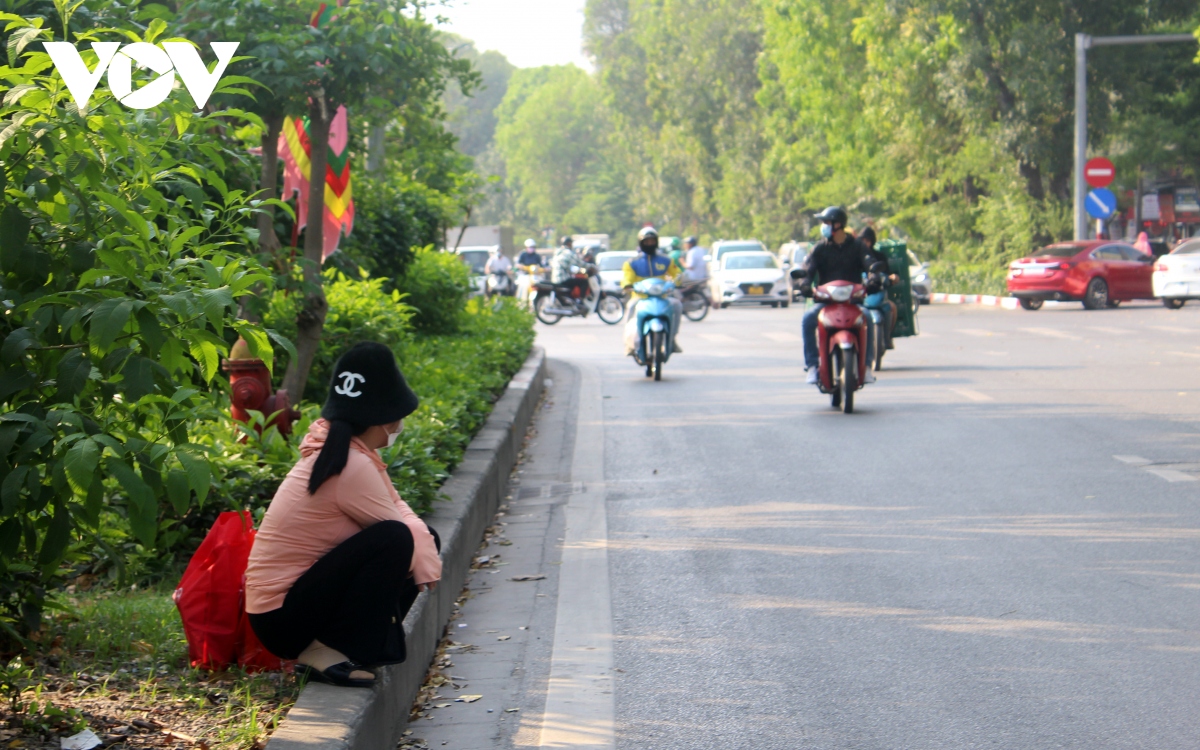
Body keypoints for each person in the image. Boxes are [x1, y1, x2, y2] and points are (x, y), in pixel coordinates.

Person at [246, 343, 440, 688]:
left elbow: (396, 504)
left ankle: (347, 646)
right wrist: (421, 545)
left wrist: (423, 542)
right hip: (281, 620)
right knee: (396, 539)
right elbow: (397, 528)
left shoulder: (345, 452)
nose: (400, 423)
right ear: (382, 418)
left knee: (415, 536)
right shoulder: (351, 465)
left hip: (284, 611)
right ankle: (332, 650)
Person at [800, 207, 881, 385]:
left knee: (867, 316)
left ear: (838, 225)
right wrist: (804, 283)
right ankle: (813, 366)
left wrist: (874, 278)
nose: (824, 227)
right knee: (808, 319)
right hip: (826, 302)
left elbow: (870, 263)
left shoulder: (858, 246)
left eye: (827, 223)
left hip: (853, 301)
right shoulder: (819, 248)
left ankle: (867, 366)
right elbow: (808, 269)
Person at [622, 227, 683, 354]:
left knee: (677, 305)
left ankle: (672, 338)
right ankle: (628, 343)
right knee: (631, 306)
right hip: (641, 297)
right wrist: (627, 285)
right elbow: (627, 278)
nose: (649, 244)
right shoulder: (632, 263)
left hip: (662, 297)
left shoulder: (666, 260)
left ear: (656, 242)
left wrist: (677, 281)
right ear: (641, 243)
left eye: (652, 241)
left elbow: (676, 273)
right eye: (646, 242)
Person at [859, 227, 898, 350]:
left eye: (868, 241)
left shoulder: (879, 256)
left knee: (892, 308)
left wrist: (892, 277)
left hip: (877, 292)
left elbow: (888, 273)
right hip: (860, 295)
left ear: (872, 242)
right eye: (863, 240)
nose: (865, 243)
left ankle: (888, 336)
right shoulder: (855, 256)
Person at [551, 236, 589, 306]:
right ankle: (580, 301)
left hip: (555, 279)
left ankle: (572, 300)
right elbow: (579, 263)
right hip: (563, 279)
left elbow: (567, 266)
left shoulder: (558, 252)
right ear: (569, 244)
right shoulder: (568, 252)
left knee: (574, 281)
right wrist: (591, 267)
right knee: (584, 282)